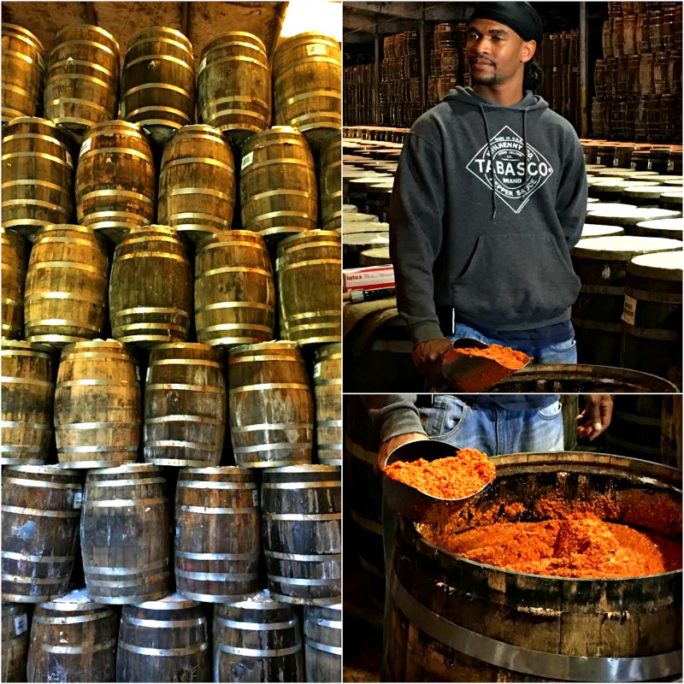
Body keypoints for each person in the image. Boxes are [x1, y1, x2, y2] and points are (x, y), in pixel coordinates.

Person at [389, 1, 588, 385]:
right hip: (467, 333)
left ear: (526, 50)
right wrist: (425, 327)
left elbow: (568, 225)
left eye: (497, 37)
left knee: (544, 445)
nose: (480, 47)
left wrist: (539, 270)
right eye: (474, 35)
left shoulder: (559, 133)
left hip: (552, 334)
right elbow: (412, 234)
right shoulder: (436, 131)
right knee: (465, 445)